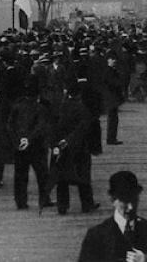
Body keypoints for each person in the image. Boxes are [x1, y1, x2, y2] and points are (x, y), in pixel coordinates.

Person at [76, 170, 147, 262]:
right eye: (125, 201)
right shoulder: (97, 235)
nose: (130, 207)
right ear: (113, 200)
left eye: (134, 200)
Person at [52, 83, 99, 215]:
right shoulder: (83, 109)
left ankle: (62, 205)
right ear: (79, 95)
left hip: (61, 146)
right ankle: (87, 204)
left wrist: (58, 142)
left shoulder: (60, 107)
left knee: (62, 177)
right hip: (79, 146)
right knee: (83, 175)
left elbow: (54, 125)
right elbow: (84, 128)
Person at [9, 77, 54, 212]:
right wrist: (29, 138)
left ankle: (21, 201)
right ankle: (44, 199)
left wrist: (18, 140)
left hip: (19, 146)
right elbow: (41, 126)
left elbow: (10, 125)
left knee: (20, 175)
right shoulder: (40, 108)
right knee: (42, 174)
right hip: (37, 145)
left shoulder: (16, 106)